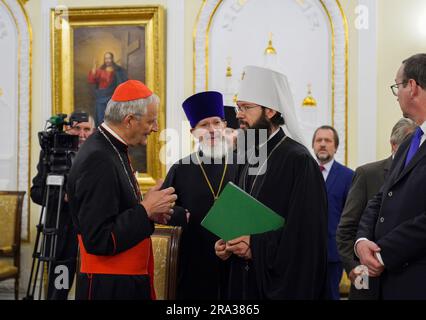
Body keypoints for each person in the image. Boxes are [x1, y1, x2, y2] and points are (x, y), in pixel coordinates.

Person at [215, 65, 328, 299]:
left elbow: (305, 236)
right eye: (238, 107)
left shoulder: (299, 161)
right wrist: (228, 243)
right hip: (243, 282)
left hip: (277, 286)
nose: (238, 115)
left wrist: (255, 246)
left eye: (246, 108)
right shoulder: (247, 155)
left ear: (270, 111)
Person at [67, 80, 177, 300]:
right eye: (151, 121)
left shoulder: (111, 148)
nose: (155, 128)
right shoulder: (99, 157)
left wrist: (150, 209)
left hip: (123, 281)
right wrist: (145, 209)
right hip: (109, 286)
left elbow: (116, 212)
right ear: (129, 120)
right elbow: (99, 238)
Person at [355, 53, 426, 299]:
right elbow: (381, 197)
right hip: (389, 280)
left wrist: (383, 253)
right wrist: (362, 241)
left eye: (398, 86)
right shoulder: (409, 143)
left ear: (412, 87)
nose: (396, 95)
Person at [162, 91, 238, 300]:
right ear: (193, 132)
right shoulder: (180, 169)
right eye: (204, 125)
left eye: (216, 122)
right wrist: (180, 214)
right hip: (194, 260)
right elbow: (160, 209)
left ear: (224, 125)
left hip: (236, 261)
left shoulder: (244, 165)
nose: (212, 130)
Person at [336, 118, 415, 300]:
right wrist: (356, 269)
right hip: (368, 278)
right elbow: (346, 228)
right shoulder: (367, 174)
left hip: (404, 282)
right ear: (394, 145)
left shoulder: (418, 175)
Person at [30, 112, 95, 300]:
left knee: (87, 292)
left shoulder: (98, 155)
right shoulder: (52, 154)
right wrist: (64, 196)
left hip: (89, 239)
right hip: (61, 238)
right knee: (59, 291)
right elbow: (37, 192)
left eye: (87, 129)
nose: (82, 134)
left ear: (93, 131)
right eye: (77, 128)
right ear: (68, 129)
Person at [312, 125, 354, 300]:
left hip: (333, 252)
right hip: (306, 252)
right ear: (313, 145)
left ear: (336, 147)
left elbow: (351, 215)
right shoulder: (304, 172)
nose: (322, 144)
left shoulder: (349, 176)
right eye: (318, 140)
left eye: (327, 140)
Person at [88, 52, 128, 126]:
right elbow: (92, 80)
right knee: (101, 118)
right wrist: (94, 66)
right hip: (101, 97)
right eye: (106, 58)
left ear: (112, 59)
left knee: (111, 118)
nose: (107, 60)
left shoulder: (118, 70)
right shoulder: (100, 70)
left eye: (109, 58)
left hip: (112, 97)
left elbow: (123, 81)